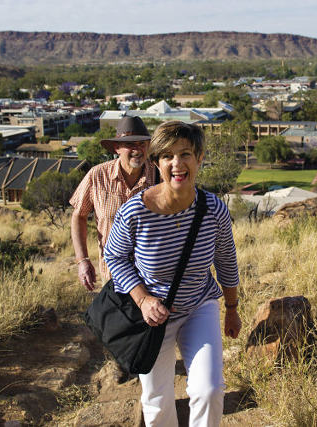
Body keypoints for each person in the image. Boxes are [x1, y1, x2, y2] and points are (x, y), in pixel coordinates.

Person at [103, 121, 241, 427]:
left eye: (185, 154)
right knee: (157, 399)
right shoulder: (135, 212)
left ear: (199, 158)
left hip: (198, 307)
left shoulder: (213, 210)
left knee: (209, 389)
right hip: (152, 316)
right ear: (157, 163)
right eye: (167, 156)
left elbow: (226, 261)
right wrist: (142, 299)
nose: (177, 164)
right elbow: (113, 256)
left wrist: (232, 310)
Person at [70, 115, 157, 291]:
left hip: (153, 277)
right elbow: (79, 216)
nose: (137, 150)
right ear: (117, 148)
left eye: (141, 144)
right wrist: (83, 261)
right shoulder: (97, 176)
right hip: (112, 275)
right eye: (130, 144)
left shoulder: (159, 177)